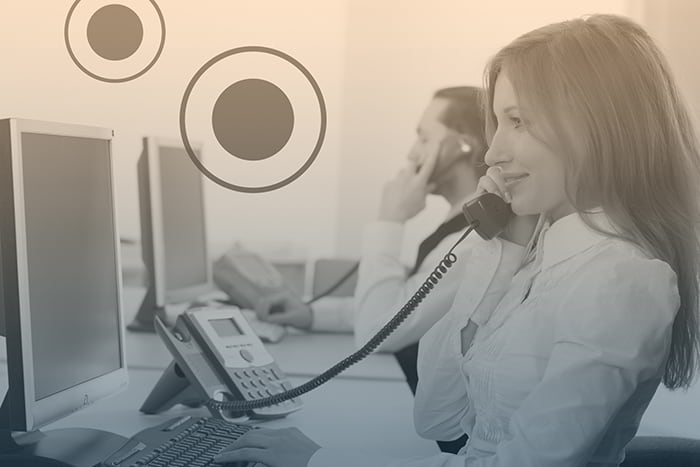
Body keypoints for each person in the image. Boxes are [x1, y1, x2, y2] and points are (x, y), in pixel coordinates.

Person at [215, 14, 700, 467]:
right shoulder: (535, 253)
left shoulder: (621, 280)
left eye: (518, 121)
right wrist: (498, 250)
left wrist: (324, 460)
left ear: (596, 129)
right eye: (497, 122)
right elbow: (440, 419)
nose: (493, 152)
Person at [256, 88, 488, 391]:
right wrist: (311, 314)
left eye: (424, 138)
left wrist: (390, 221)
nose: (411, 154)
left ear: (461, 147)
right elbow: (400, 309)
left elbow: (378, 331)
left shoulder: (475, 242)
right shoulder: (458, 225)